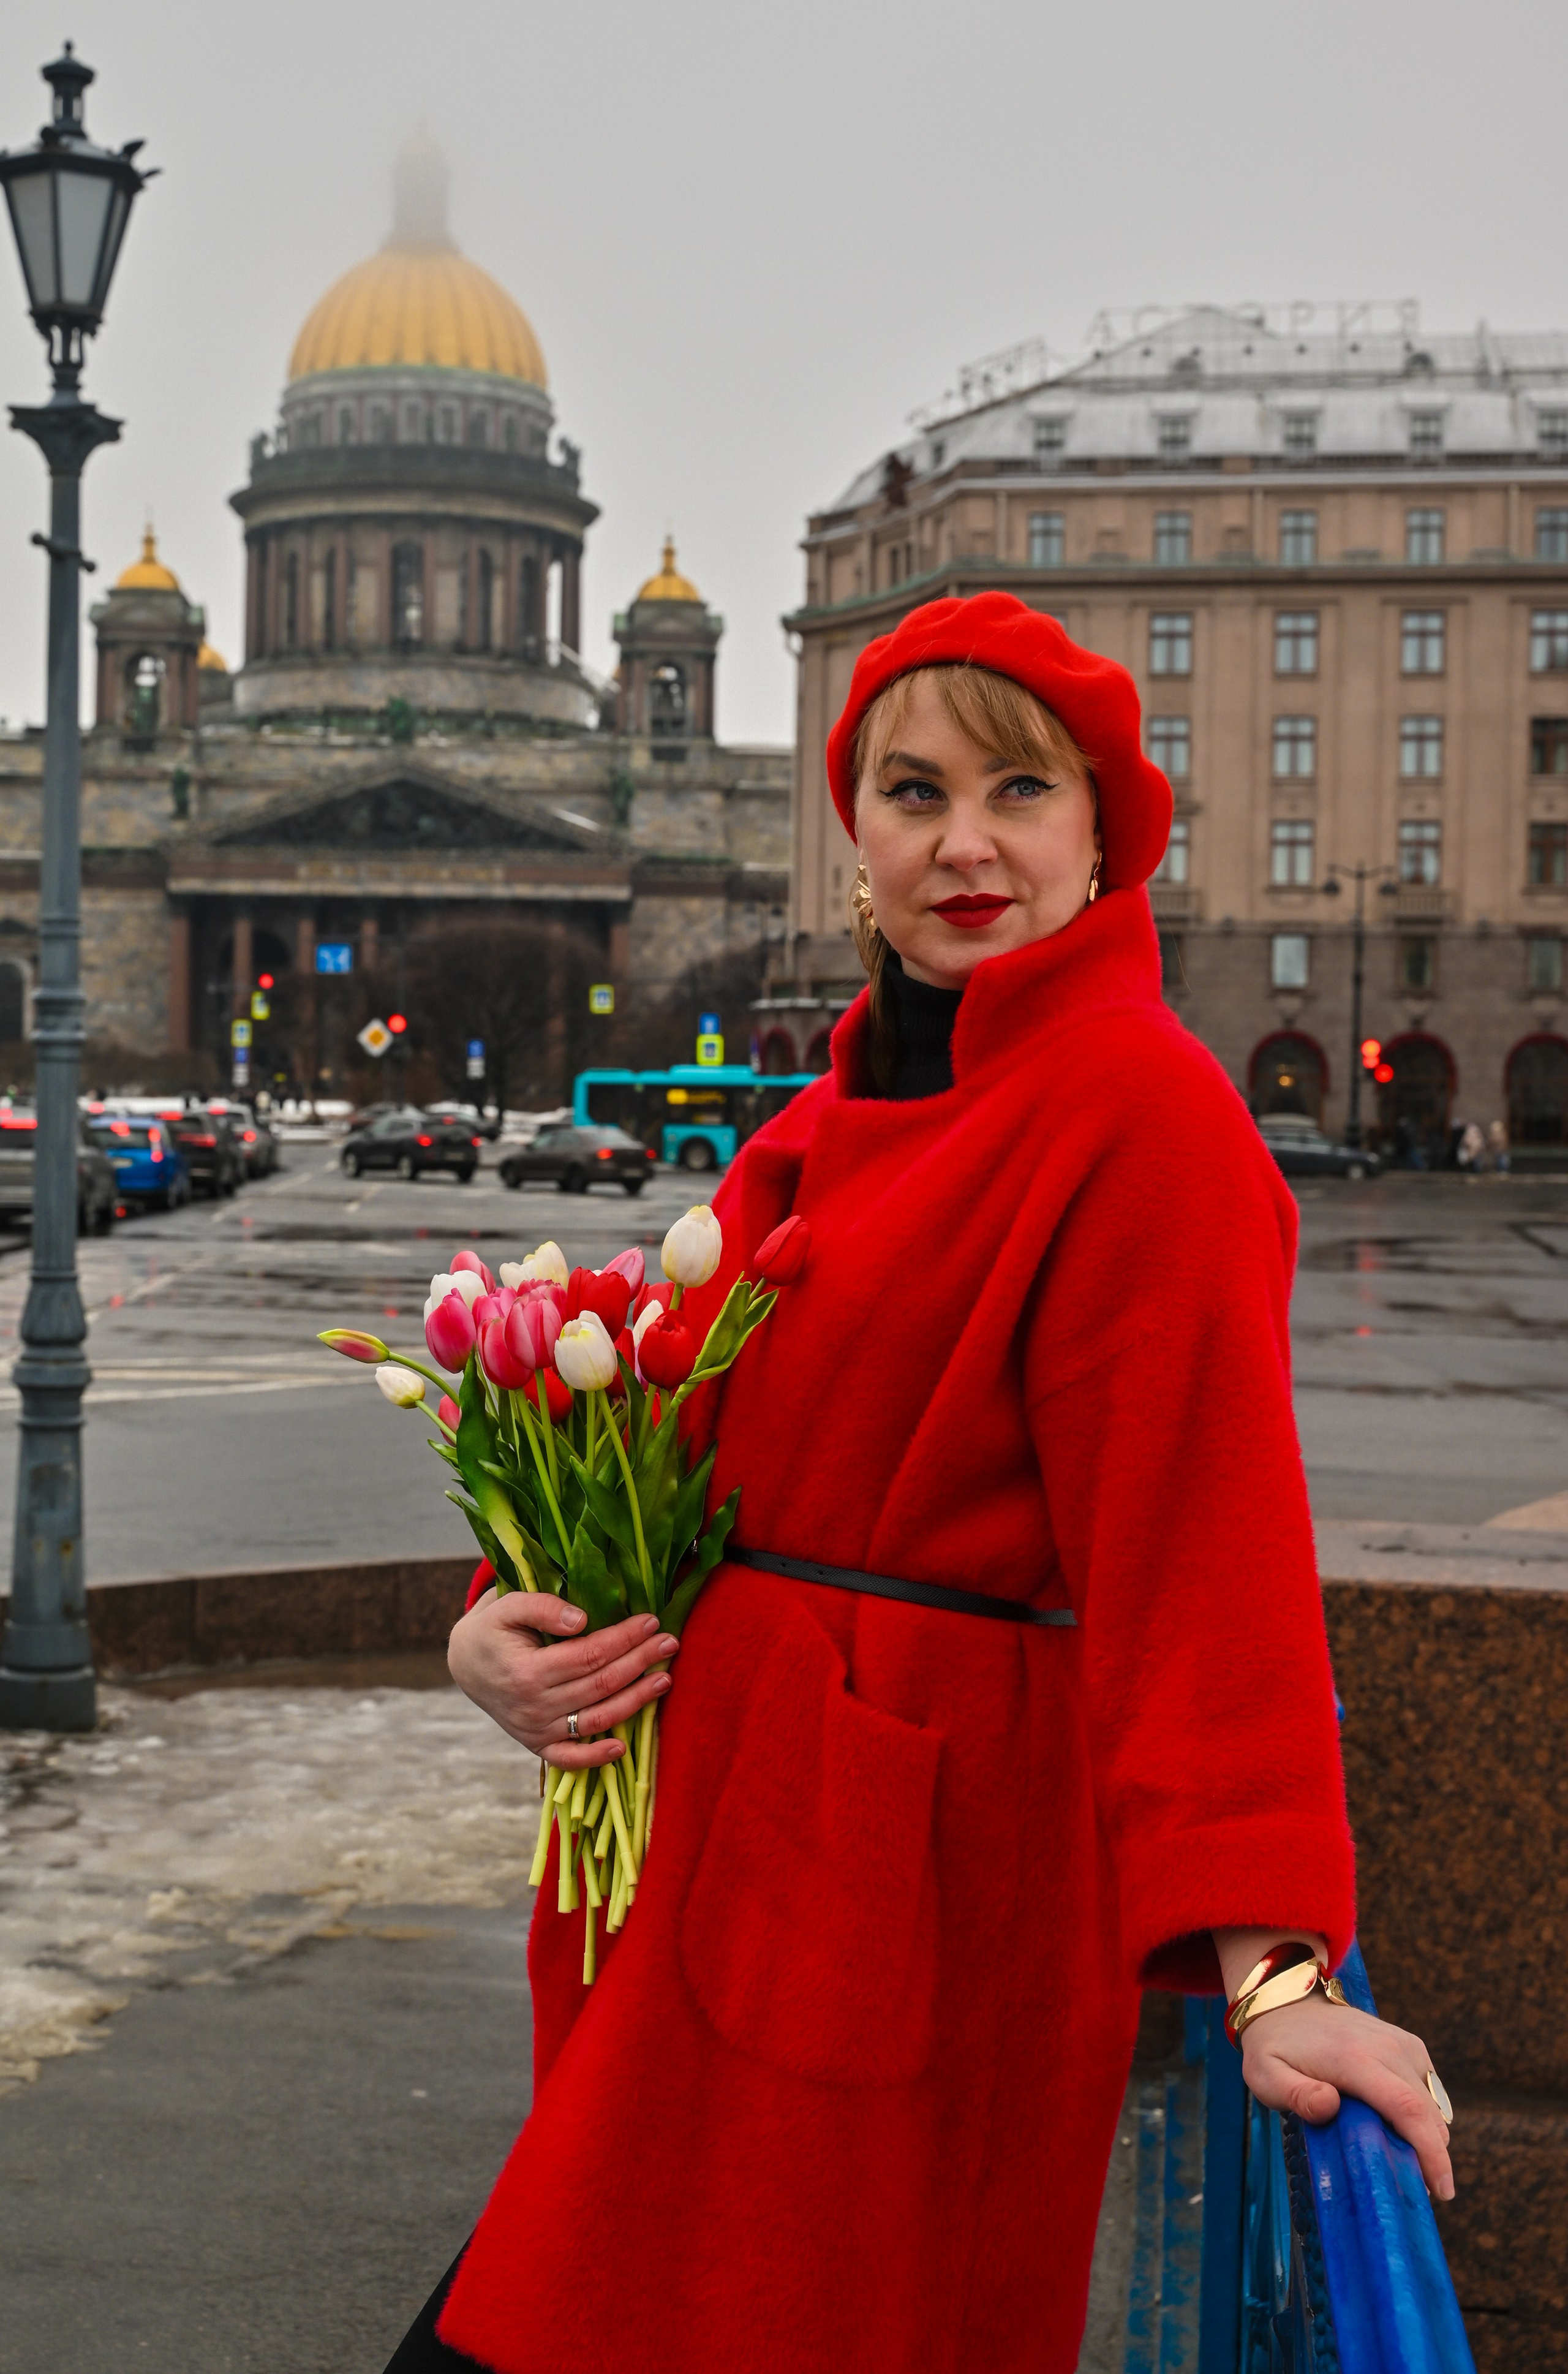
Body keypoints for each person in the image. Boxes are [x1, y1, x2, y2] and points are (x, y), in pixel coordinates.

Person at [408, 593, 1453, 2374]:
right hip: (719, 1868)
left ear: (1102, 834)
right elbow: (656, 1433)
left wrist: (1279, 1966)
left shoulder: (1143, 1112)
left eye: (1019, 791)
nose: (964, 843)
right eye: (912, 794)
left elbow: (1206, 1559)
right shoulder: (820, 1119)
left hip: (909, 1899)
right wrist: (496, 1638)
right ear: (861, 844)